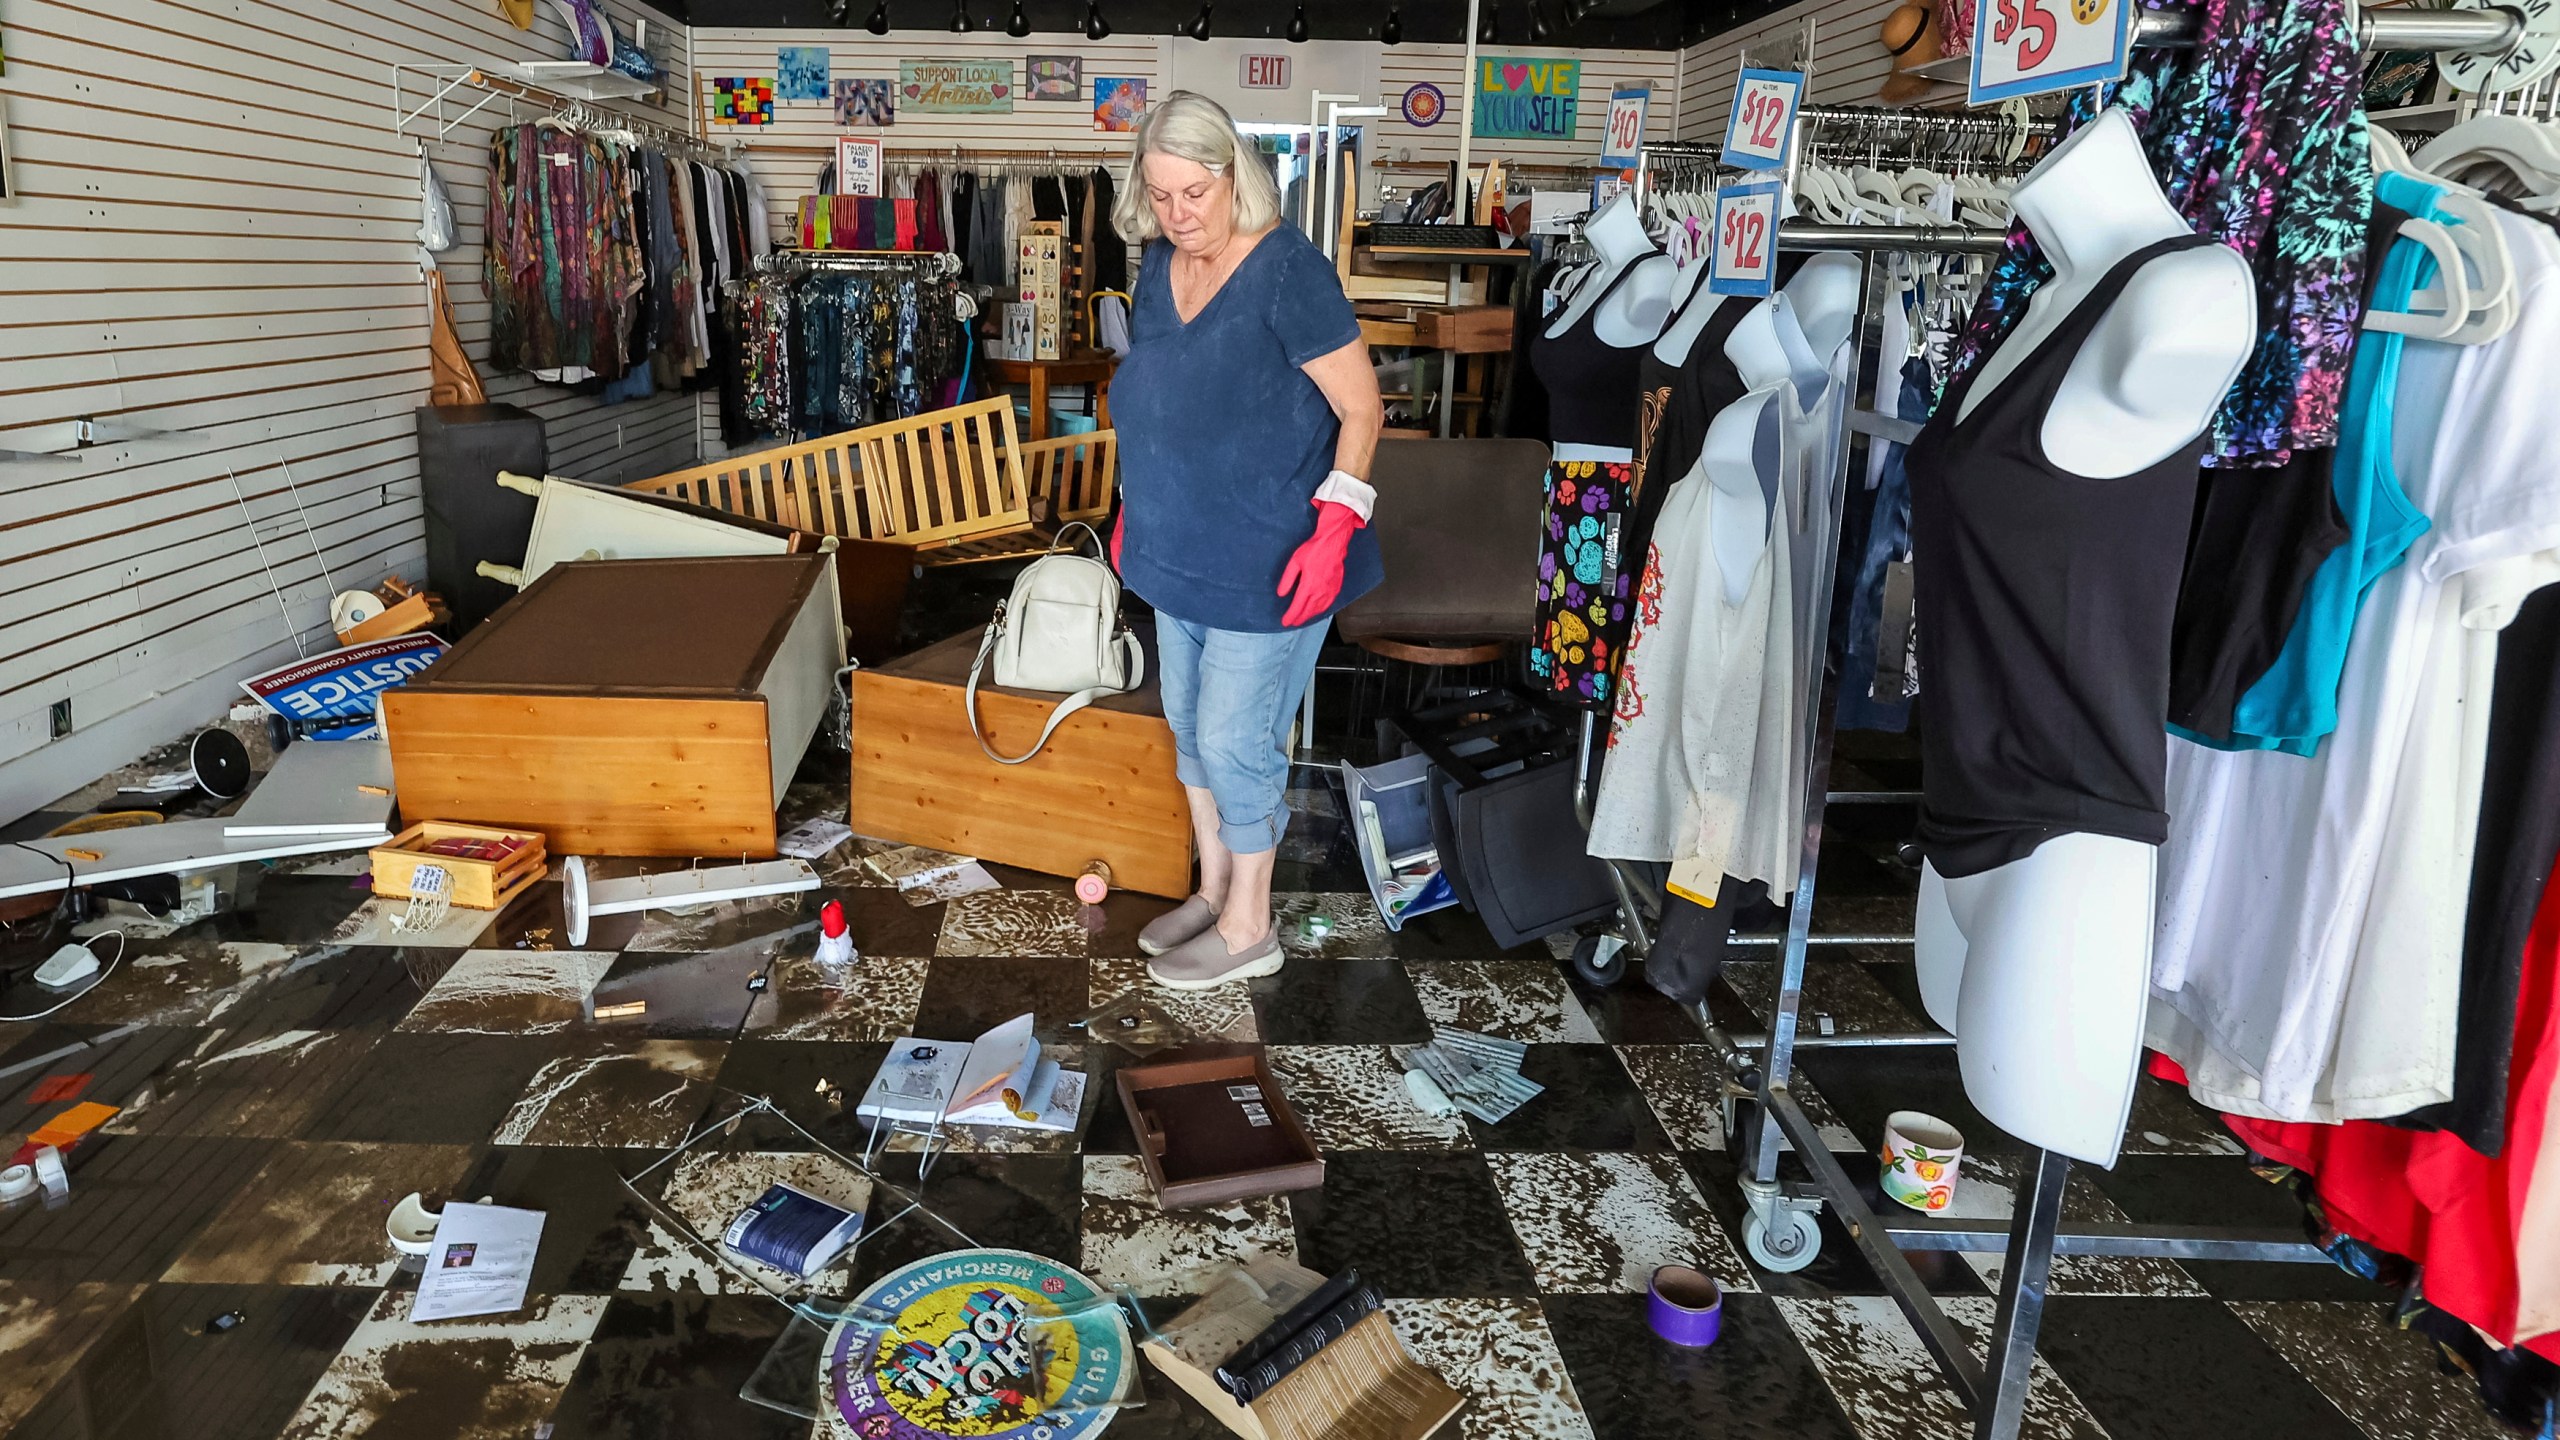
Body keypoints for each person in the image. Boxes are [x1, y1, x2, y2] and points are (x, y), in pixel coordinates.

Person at [1105, 91, 1385, 988]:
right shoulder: (1157, 262)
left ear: (1234, 176)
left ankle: (1251, 926)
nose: (1179, 216)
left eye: (1195, 194)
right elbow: (1159, 394)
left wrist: (1335, 529)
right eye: (1161, 196)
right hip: (1175, 546)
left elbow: (1361, 408)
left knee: (1235, 742)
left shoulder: (1287, 271)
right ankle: (1217, 886)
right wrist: (1129, 510)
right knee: (1188, 733)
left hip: (1273, 557)